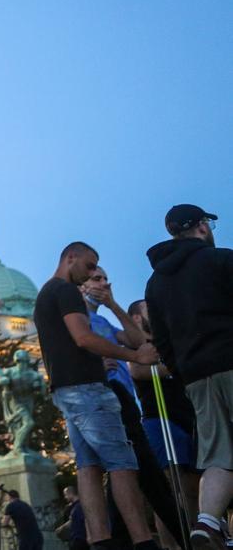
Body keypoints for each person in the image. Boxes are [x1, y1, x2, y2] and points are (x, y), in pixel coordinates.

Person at [32, 241, 161, 550]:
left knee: (88, 467)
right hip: (87, 388)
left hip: (66, 390)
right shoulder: (65, 292)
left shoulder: (45, 294)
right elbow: (84, 337)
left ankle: (100, 540)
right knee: (122, 463)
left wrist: (115, 308)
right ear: (70, 258)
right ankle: (143, 541)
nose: (92, 274)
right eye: (90, 267)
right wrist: (135, 356)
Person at [144, 205, 233, 550]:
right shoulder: (220, 260)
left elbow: (162, 339)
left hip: (196, 376)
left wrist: (183, 371)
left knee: (218, 455)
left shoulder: (156, 283)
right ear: (200, 227)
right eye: (209, 223)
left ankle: (207, 523)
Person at [81, 266, 186, 547]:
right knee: (146, 477)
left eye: (106, 278)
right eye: (96, 279)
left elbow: (140, 342)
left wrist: (113, 304)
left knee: (129, 474)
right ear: (81, 285)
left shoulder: (103, 322)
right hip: (105, 400)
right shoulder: (77, 322)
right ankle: (176, 539)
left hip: (125, 403)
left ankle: (100, 537)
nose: (104, 283)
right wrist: (93, 364)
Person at [128, 299, 200, 549]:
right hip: (160, 420)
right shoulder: (140, 347)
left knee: (192, 488)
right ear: (137, 318)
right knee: (171, 490)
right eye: (149, 309)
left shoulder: (167, 343)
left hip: (186, 419)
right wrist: (176, 366)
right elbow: (139, 371)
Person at [55, 486, 87, 550]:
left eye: (66, 495)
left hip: (80, 539)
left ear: (70, 494)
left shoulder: (78, 507)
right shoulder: (74, 507)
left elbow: (75, 521)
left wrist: (61, 529)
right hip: (77, 538)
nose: (65, 497)